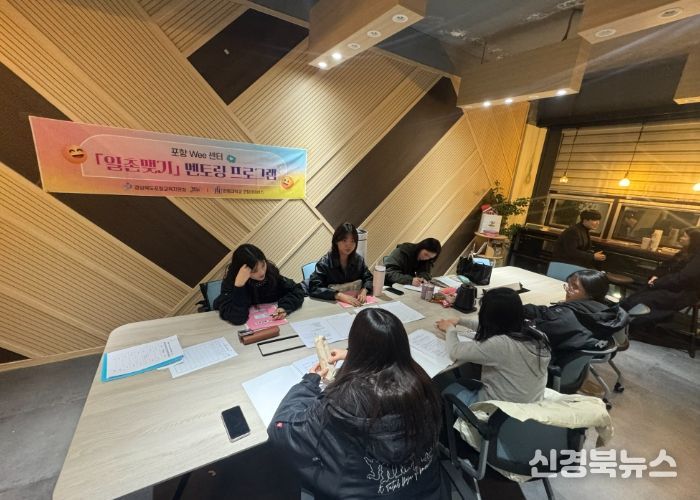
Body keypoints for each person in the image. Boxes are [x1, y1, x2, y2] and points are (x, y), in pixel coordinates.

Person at [268, 309, 449, 500]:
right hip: (427, 492)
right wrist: (356, 357)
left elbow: (280, 428)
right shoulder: (422, 385)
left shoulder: (343, 404)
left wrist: (308, 382)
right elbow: (387, 367)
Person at [435, 288, 551, 405]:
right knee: (466, 378)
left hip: (497, 410)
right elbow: (494, 328)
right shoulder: (538, 335)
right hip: (528, 407)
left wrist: (450, 329)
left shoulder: (500, 344)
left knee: (445, 386)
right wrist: (461, 320)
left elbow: (454, 351)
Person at [523, 270, 628, 361]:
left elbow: (535, 333)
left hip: (550, 363)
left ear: (591, 293)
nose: (568, 289)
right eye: (569, 285)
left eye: (575, 287)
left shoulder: (565, 318)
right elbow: (546, 314)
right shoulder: (610, 311)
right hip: (585, 356)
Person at [621, 227, 700, 323]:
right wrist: (655, 276)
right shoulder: (685, 251)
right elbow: (665, 265)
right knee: (635, 297)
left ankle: (629, 323)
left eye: (684, 236)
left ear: (694, 240)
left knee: (641, 301)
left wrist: (657, 282)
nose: (681, 238)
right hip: (669, 286)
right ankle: (619, 320)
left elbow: (683, 278)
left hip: (683, 293)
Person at [214, 244, 304, 325]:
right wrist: (239, 286)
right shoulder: (232, 281)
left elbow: (296, 290)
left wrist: (284, 307)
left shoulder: (270, 272)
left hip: (271, 322)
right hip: (245, 328)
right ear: (241, 271)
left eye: (263, 265)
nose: (261, 273)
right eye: (254, 270)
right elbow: (238, 318)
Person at [308, 222, 373, 306]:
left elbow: (369, 278)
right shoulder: (325, 263)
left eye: (352, 241)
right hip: (331, 304)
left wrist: (364, 290)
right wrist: (338, 295)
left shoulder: (358, 260)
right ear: (336, 241)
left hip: (353, 303)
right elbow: (314, 288)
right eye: (344, 240)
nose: (348, 245)